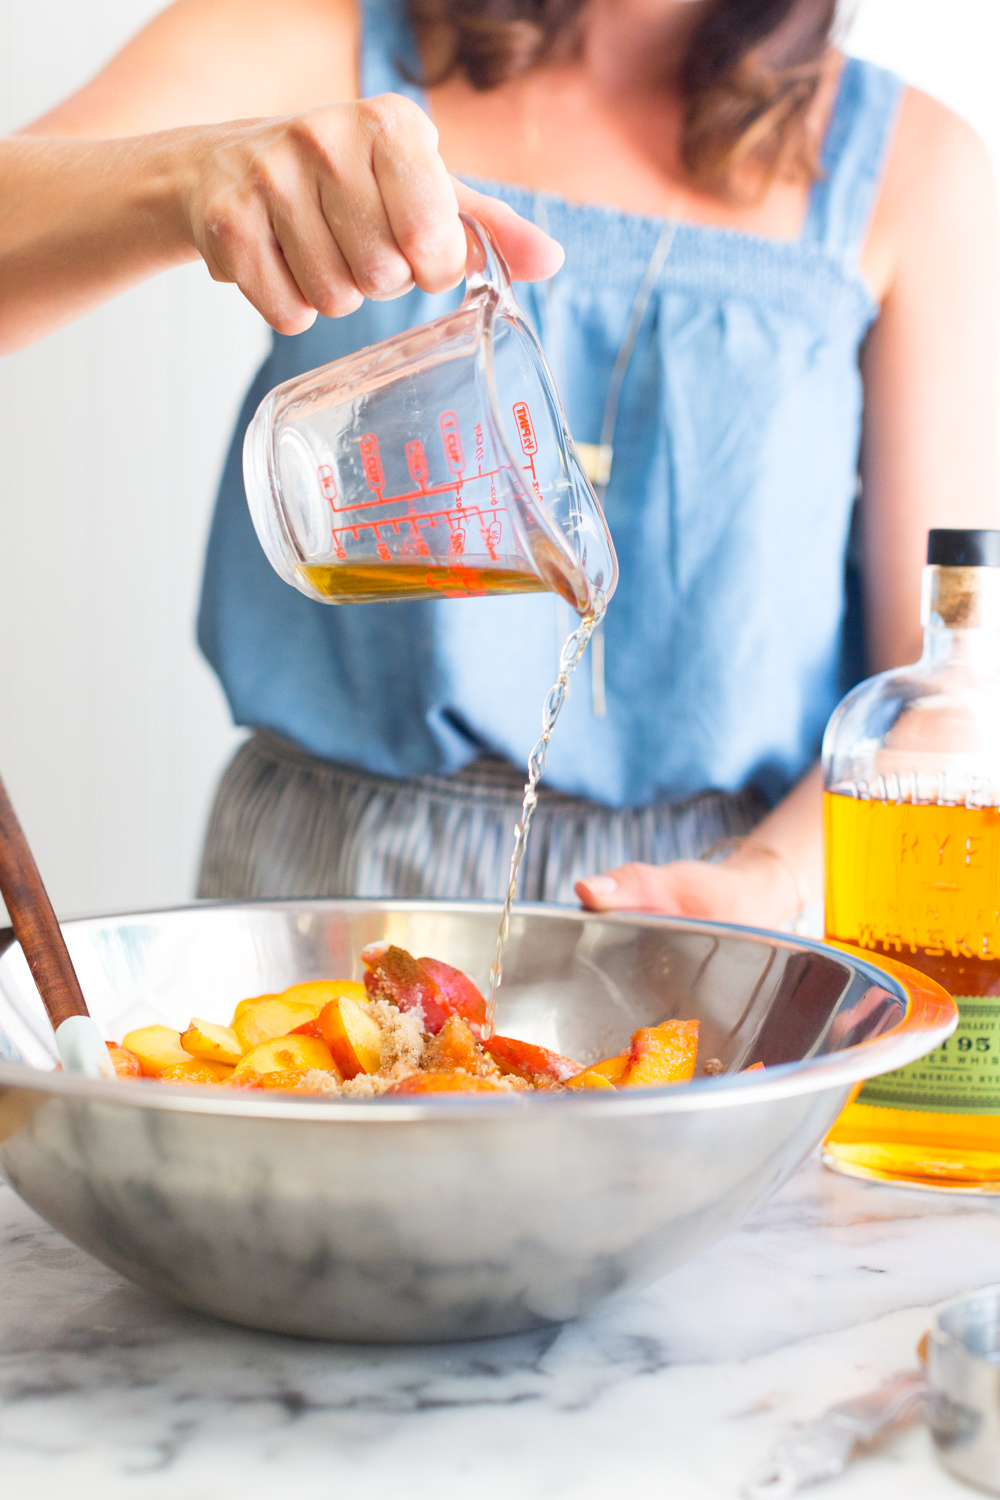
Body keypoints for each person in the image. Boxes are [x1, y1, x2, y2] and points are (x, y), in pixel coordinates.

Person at [1, 0, 996, 929]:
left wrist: (773, 883)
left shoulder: (917, 168)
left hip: (700, 923)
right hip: (317, 893)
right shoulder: (310, 34)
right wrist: (182, 180)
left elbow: (949, 682)